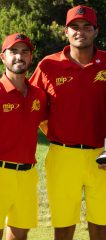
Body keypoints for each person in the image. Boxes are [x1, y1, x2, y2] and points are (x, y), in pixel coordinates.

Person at [30, 5, 106, 240]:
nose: (81, 31)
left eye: (87, 27)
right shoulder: (48, 65)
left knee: (101, 225)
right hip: (63, 155)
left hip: (103, 155)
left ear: (95, 31)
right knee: (63, 225)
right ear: (66, 32)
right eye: (75, 27)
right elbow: (30, 105)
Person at [0, 33, 47, 240]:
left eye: (24, 52)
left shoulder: (39, 95)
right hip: (1, 171)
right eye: (13, 51)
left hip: (28, 173)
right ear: (3, 57)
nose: (19, 57)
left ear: (31, 58)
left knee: (20, 234)